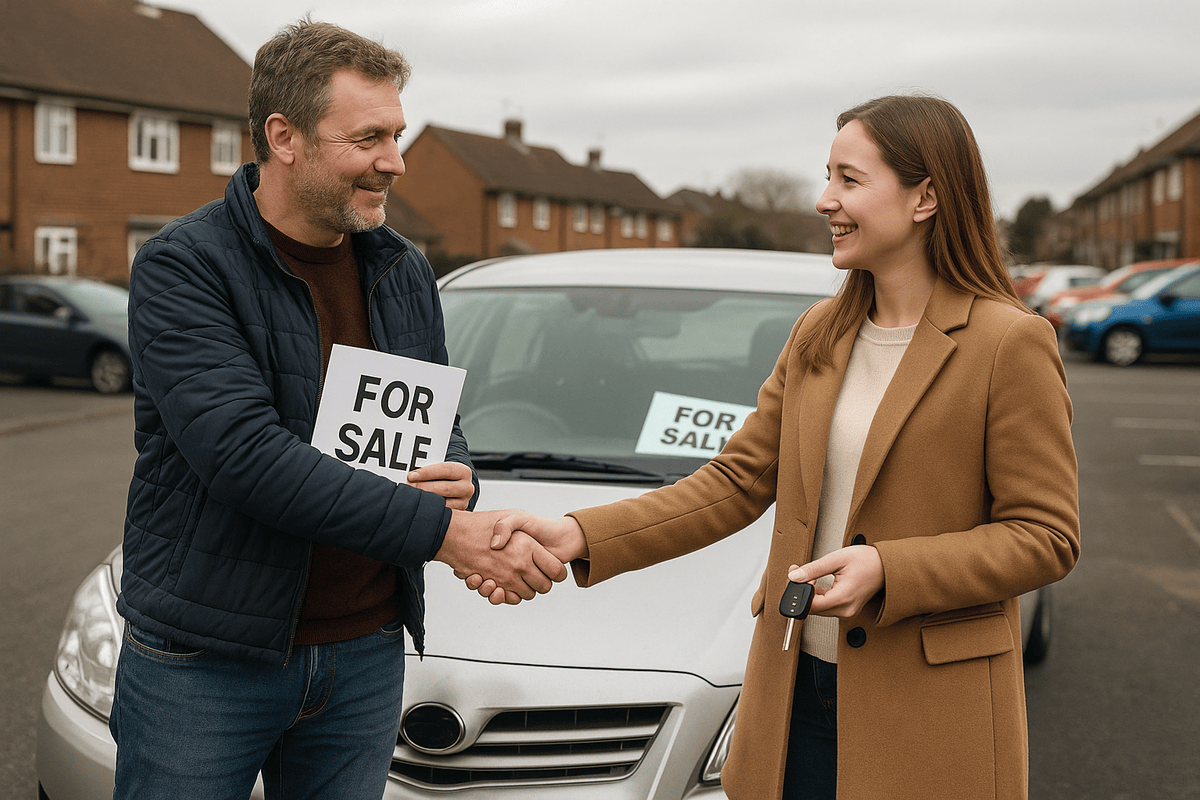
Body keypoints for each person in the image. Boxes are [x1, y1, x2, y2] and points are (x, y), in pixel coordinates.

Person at [466, 94, 1080, 800]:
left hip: (929, 710)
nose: (825, 200)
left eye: (849, 180)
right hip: (795, 692)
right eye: (828, 176)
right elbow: (733, 483)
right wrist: (577, 533)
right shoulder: (818, 333)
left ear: (926, 197)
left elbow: (1046, 536)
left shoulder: (1010, 343)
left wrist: (891, 567)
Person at [112, 19, 564, 800]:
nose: (395, 161)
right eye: (369, 139)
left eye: (397, 134)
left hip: (364, 651)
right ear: (284, 137)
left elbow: (430, 411)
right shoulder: (183, 267)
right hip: (209, 659)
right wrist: (451, 536)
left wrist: (456, 475)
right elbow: (244, 458)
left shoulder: (402, 267)